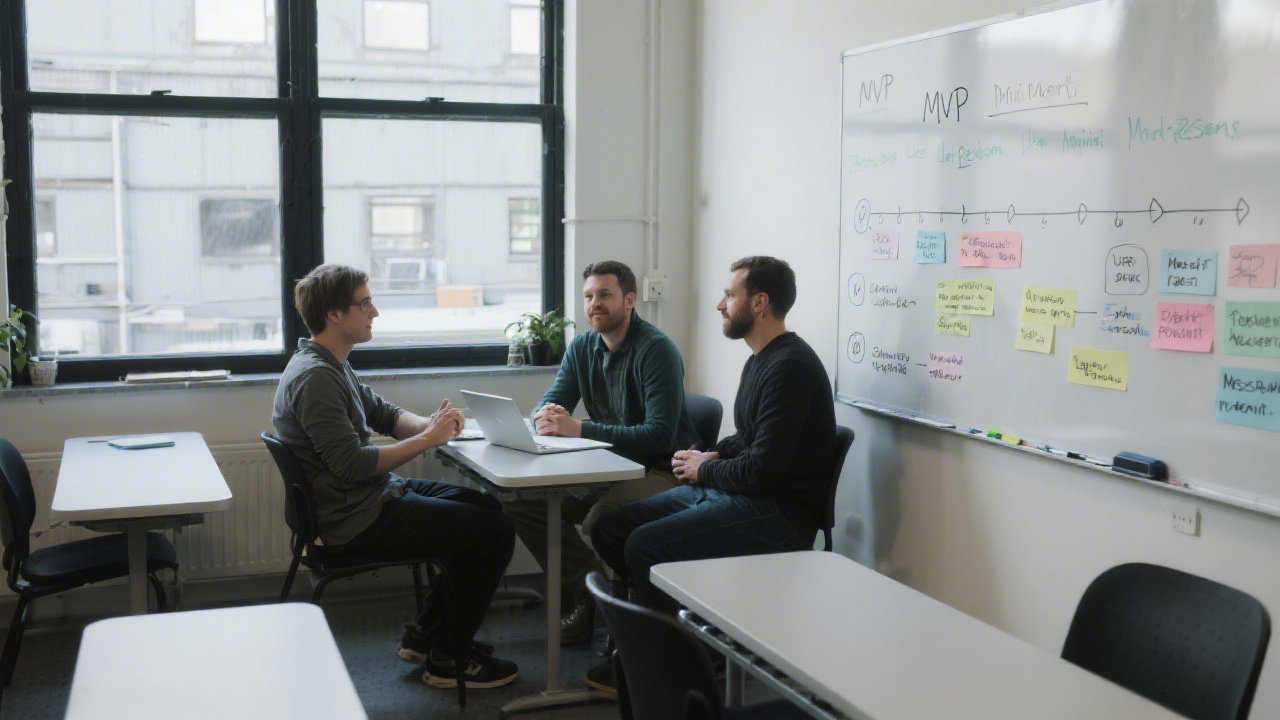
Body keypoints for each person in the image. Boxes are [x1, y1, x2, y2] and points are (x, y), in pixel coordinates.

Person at [584, 256, 835, 691]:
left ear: (759, 303)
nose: (720, 305)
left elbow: (761, 472)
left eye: (729, 295)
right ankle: (657, 645)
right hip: (742, 497)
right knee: (611, 528)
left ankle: (677, 665)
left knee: (642, 545)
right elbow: (752, 438)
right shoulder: (762, 358)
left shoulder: (790, 367)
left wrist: (705, 469)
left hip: (778, 515)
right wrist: (709, 453)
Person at [271, 264, 519, 690]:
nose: (375, 312)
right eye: (364, 303)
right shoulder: (315, 378)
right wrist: (429, 441)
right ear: (334, 313)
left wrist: (431, 425)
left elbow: (384, 414)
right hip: (353, 519)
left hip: (363, 499)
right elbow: (353, 464)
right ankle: (448, 659)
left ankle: (426, 634)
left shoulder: (328, 363)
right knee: (493, 532)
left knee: (483, 507)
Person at [506, 260, 701, 646]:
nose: (595, 303)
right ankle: (589, 593)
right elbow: (550, 402)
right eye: (589, 296)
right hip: (611, 467)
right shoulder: (583, 346)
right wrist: (544, 415)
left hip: (663, 469)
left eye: (605, 295)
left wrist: (579, 428)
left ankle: (598, 602)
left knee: (602, 518)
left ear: (629, 300)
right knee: (523, 503)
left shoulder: (656, 350)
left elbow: (659, 436)